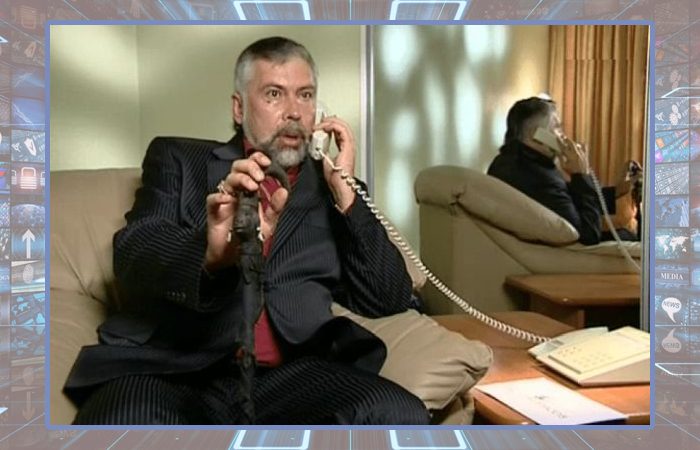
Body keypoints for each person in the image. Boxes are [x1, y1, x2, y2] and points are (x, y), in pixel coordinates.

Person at [62, 36, 430, 425]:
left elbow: (388, 298)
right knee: (126, 423)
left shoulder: (335, 190)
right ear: (239, 108)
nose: (294, 112)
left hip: (291, 377)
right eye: (274, 94)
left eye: (305, 95)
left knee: (397, 414)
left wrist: (347, 195)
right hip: (175, 370)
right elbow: (134, 252)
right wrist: (211, 255)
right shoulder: (179, 159)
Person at [487, 96, 642, 245]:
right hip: (562, 254)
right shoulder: (530, 174)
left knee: (626, 233)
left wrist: (618, 190)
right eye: (557, 127)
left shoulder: (517, 163)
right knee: (627, 236)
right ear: (538, 135)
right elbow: (589, 233)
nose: (563, 136)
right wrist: (581, 174)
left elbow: (570, 198)